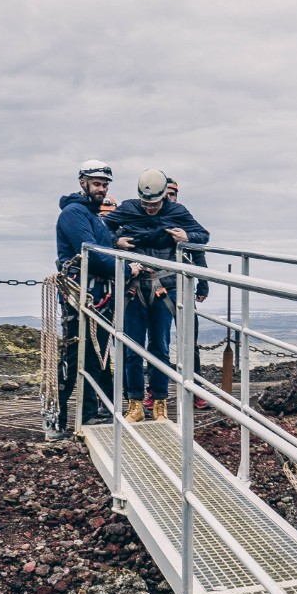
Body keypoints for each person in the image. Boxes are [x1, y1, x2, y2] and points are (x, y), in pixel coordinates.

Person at [104, 168, 210, 422]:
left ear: (164, 196)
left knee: (160, 347)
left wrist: (188, 237)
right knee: (132, 348)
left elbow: (202, 236)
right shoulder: (129, 209)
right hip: (134, 286)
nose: (149, 208)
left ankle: (160, 403)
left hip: (165, 286)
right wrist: (116, 241)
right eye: (145, 203)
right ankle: (135, 404)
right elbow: (100, 230)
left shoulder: (177, 212)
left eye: (154, 203)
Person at [52, 160, 115, 432]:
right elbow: (90, 252)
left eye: (104, 185)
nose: (101, 189)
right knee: (73, 356)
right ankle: (56, 419)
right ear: (83, 183)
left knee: (94, 356)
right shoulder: (74, 213)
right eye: (97, 184)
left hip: (96, 296)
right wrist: (127, 268)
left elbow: (102, 248)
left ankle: (88, 414)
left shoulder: (91, 215)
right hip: (80, 297)